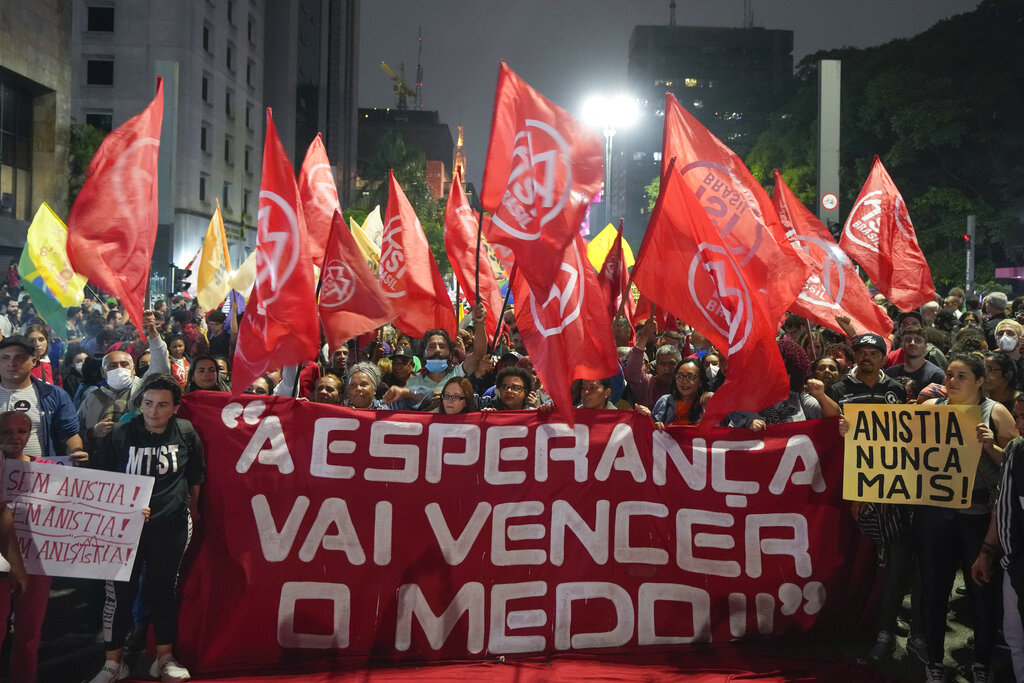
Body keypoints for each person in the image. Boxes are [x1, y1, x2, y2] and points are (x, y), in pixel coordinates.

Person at [88, 375, 204, 683]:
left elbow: (195, 478)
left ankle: (164, 658)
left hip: (170, 525)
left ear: (176, 408)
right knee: (118, 594)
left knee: (163, 591)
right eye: (148, 403)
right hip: (124, 528)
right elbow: (102, 480)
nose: (153, 411)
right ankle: (113, 664)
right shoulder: (122, 433)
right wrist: (122, 509)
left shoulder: (186, 432)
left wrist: (192, 510)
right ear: (140, 403)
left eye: (162, 405)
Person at [915, 353, 1018, 683]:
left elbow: (1015, 466)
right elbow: (897, 446)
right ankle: (934, 661)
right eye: (948, 374)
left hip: (977, 515)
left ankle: (981, 663)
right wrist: (853, 429)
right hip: (935, 514)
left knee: (981, 594)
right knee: (934, 589)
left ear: (979, 381)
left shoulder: (995, 412)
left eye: (961, 376)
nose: (952, 381)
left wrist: (990, 446)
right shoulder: (931, 410)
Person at [0, 335, 87, 463]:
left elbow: (69, 434)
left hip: (40, 477)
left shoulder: (54, 395)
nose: (12, 363)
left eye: (20, 358)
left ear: (34, 361)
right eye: (5, 357)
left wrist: (76, 451)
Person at [394, 303, 488, 410]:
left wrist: (480, 323)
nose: (437, 350)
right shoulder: (413, 383)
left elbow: (478, 355)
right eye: (432, 346)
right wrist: (425, 409)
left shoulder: (458, 374)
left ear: (451, 353)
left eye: (442, 346)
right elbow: (406, 418)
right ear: (423, 353)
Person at [0, 411, 37, 682]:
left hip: (35, 559)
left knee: (25, 630)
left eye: (21, 431)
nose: (15, 437)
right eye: (6, 432)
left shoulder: (48, 467)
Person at [624, 318, 682, 409]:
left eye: (671, 363)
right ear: (655, 365)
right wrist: (645, 333)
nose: (667, 368)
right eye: (662, 364)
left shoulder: (687, 385)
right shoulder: (647, 384)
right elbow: (632, 371)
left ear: (679, 365)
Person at [884, 325, 946, 399]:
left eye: (918, 340)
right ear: (902, 345)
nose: (912, 343)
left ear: (925, 347)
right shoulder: (890, 373)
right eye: (907, 339)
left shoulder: (936, 375)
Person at [652, 359, 709, 427]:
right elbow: (651, 431)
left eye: (690, 377)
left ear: (700, 381)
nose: (684, 381)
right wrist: (654, 424)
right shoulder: (664, 401)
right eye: (680, 376)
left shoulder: (707, 403)